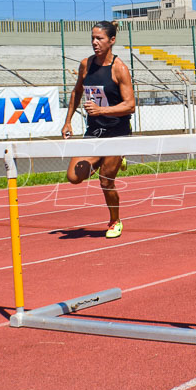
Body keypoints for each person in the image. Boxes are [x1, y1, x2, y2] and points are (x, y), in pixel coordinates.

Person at [62, 21, 135, 238]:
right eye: (93, 38)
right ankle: (109, 161)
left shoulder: (119, 68)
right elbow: (76, 92)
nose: (95, 42)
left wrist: (102, 110)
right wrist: (68, 121)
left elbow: (130, 105)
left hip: (117, 131)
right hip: (94, 131)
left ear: (112, 40)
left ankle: (115, 221)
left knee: (105, 180)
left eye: (99, 38)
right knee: (74, 177)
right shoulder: (86, 65)